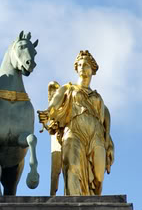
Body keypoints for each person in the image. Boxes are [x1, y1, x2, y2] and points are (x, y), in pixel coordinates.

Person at [38, 50, 114, 195]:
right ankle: (73, 208)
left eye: (85, 65)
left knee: (98, 176)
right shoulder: (69, 88)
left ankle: (94, 206)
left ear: (92, 69)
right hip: (74, 132)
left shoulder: (98, 97)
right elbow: (54, 104)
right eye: (79, 65)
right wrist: (47, 114)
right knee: (71, 166)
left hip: (96, 136)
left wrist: (110, 144)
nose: (81, 68)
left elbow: (105, 124)